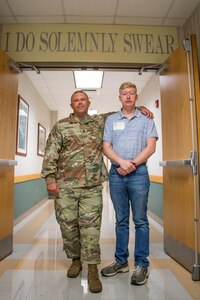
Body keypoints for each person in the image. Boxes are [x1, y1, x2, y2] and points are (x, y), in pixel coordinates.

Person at [41, 90, 153, 293]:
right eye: (76, 100)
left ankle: (92, 268)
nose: (80, 102)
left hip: (92, 186)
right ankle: (76, 260)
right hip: (66, 186)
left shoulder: (100, 121)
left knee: (91, 228)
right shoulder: (61, 126)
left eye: (83, 99)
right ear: (71, 104)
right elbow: (51, 152)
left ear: (88, 102)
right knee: (68, 226)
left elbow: (121, 112)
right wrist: (50, 179)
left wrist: (140, 109)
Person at [101, 82, 158, 286]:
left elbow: (150, 147)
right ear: (119, 97)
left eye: (131, 93)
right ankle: (121, 261)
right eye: (124, 93)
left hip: (139, 173)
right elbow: (106, 147)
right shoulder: (110, 120)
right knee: (121, 220)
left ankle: (142, 264)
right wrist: (122, 163)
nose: (127, 96)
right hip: (117, 174)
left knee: (141, 220)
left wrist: (132, 164)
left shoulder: (146, 118)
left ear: (136, 96)